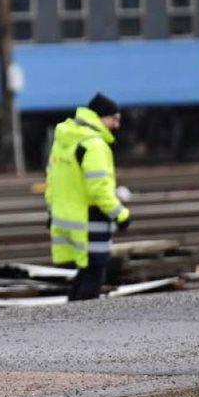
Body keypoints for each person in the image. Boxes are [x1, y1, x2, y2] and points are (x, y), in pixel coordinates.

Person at [46, 92, 130, 302]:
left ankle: (72, 317)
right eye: (115, 118)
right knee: (94, 274)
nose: (117, 125)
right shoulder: (94, 145)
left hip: (69, 218)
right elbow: (99, 189)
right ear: (101, 117)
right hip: (91, 219)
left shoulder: (64, 141)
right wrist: (121, 214)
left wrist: (51, 212)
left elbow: (52, 182)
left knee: (85, 272)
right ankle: (84, 323)